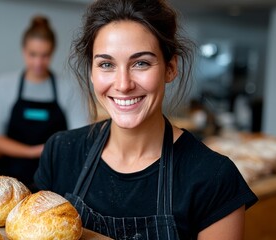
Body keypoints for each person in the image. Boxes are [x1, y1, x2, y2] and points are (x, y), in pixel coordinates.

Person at [34, 1, 258, 239]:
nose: (123, 84)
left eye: (141, 63)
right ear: (92, 71)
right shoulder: (61, 153)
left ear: (170, 68)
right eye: (106, 64)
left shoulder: (213, 178)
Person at [0, 16, 88, 189]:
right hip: (8, 180)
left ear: (52, 53)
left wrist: (49, 152)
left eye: (45, 56)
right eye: (33, 54)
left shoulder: (68, 88)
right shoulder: (4, 85)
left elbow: (80, 136)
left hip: (54, 177)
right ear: (23, 51)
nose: (38, 62)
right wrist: (32, 152)